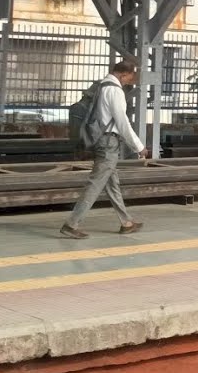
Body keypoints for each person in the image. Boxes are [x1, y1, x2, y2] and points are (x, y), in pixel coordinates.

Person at [60, 60, 148, 239]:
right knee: (96, 183)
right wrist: (139, 147)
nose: (132, 80)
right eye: (131, 76)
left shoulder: (101, 85)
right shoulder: (115, 91)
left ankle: (126, 222)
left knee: (112, 183)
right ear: (124, 74)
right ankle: (72, 224)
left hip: (101, 139)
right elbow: (122, 123)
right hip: (108, 143)